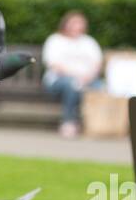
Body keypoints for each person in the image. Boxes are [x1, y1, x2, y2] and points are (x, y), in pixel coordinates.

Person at [41, 10, 103, 138]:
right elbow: (53, 64)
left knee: (102, 87)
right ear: (66, 24)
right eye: (73, 23)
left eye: (79, 23)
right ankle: (68, 123)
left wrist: (88, 77)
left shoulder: (89, 42)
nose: (76, 27)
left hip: (88, 79)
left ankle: (97, 125)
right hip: (59, 80)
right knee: (73, 85)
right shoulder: (55, 40)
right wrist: (76, 77)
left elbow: (98, 63)